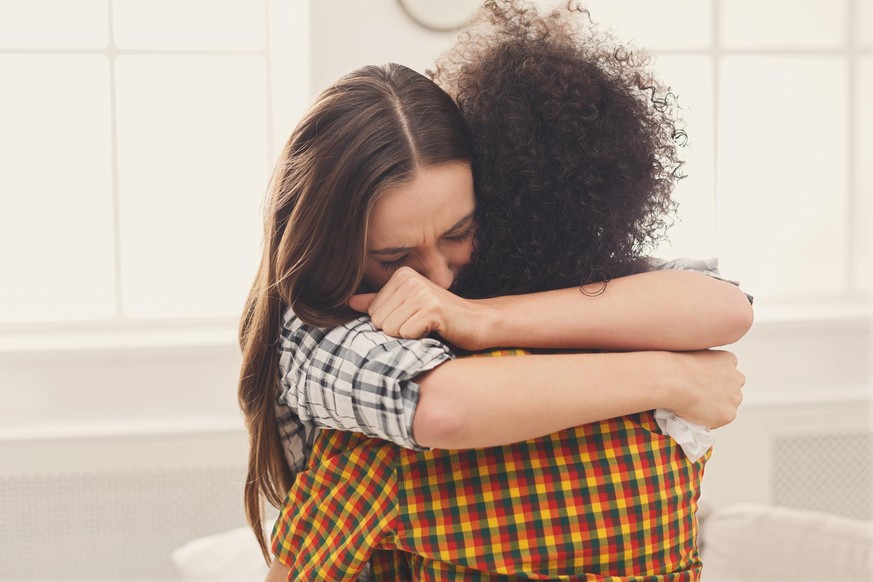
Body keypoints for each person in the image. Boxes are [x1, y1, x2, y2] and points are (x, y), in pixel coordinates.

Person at [240, 2, 752, 579]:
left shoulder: (510, 276)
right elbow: (446, 408)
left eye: (460, 232)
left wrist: (483, 319)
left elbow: (723, 308)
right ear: (334, 243)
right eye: (393, 257)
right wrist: (671, 376)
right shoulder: (320, 327)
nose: (436, 276)